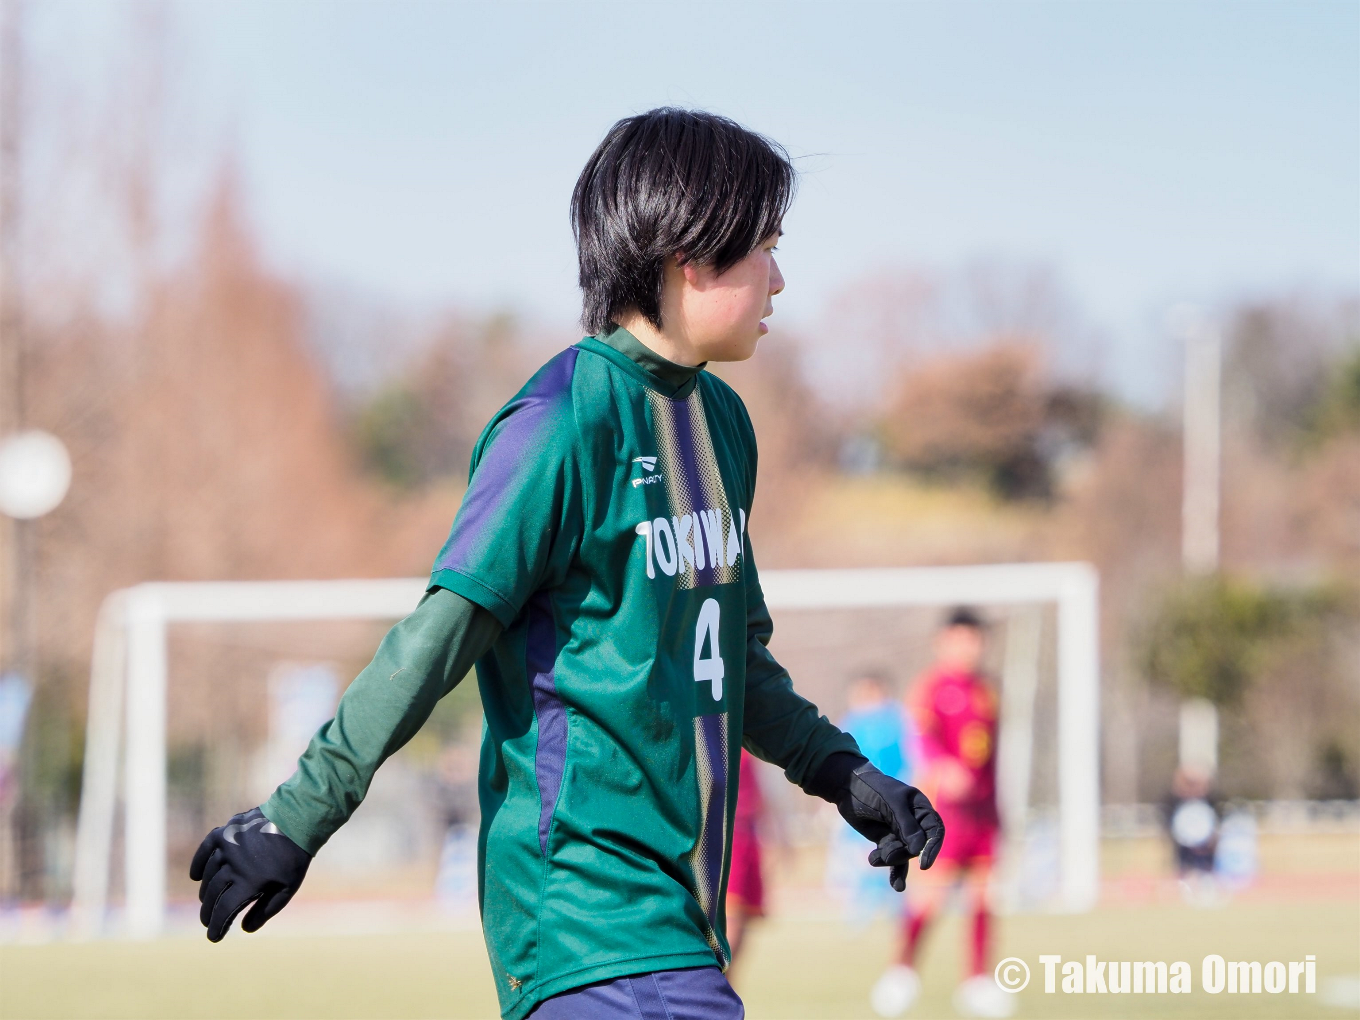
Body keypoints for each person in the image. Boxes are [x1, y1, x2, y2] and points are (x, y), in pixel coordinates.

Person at [189, 109, 944, 1020]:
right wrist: (296, 819)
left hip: (677, 925)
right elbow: (434, 641)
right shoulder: (560, 423)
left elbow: (732, 657)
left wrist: (846, 774)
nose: (781, 278)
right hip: (587, 922)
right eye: (766, 249)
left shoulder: (724, 428)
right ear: (690, 256)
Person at [871, 608, 1011, 1020]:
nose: (970, 648)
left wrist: (997, 808)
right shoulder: (930, 688)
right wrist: (942, 769)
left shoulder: (988, 690)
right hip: (944, 813)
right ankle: (901, 972)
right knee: (930, 899)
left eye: (976, 640)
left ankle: (978, 981)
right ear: (944, 642)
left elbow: (992, 757)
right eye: (961, 640)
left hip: (983, 814)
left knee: (985, 895)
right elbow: (920, 740)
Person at [829, 672, 915, 924]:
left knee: (894, 852)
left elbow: (910, 759)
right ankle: (861, 909)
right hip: (856, 800)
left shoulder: (897, 721)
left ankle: (897, 909)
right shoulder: (851, 723)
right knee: (859, 857)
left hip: (892, 800)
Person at [724, 750, 768, 980]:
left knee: (743, 919)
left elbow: (762, 790)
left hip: (747, 834)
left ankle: (723, 990)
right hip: (724, 837)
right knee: (730, 921)